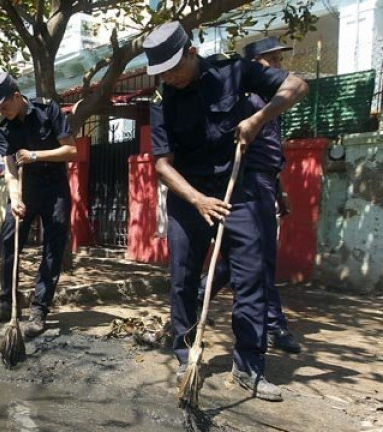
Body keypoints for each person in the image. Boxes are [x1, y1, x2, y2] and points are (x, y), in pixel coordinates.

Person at [145, 22, 307, 401]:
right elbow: (162, 165)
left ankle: (249, 366)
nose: (169, 77)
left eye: (173, 67)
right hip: (190, 195)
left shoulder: (233, 70)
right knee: (184, 279)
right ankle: (187, 355)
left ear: (191, 52)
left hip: (241, 187)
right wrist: (197, 199)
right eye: (162, 72)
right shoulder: (162, 100)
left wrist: (259, 118)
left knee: (251, 278)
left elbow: (297, 86)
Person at [197, 37, 301, 354]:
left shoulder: (271, 102)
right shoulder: (247, 99)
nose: (279, 66)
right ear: (255, 63)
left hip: (266, 181)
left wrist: (280, 191)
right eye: (274, 60)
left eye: (281, 60)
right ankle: (274, 325)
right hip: (249, 182)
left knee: (240, 258)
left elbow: (272, 151)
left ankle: (199, 295)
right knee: (259, 256)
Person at [0, 72, 78, 339]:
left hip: (55, 189)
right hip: (25, 189)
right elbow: (10, 170)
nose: (2, 111)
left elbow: (72, 151)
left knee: (52, 248)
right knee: (8, 240)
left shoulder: (49, 110)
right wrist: (16, 198)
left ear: (17, 96)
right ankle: (5, 303)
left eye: (5, 105)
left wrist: (35, 155)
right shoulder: (3, 130)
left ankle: (39, 311)